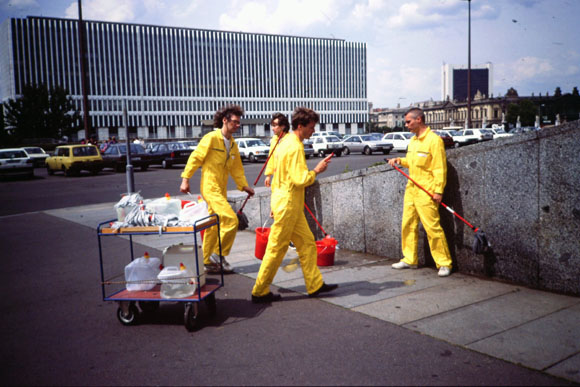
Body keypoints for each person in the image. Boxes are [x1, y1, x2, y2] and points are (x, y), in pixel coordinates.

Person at [251, 107, 338, 303]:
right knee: (276, 248)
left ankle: (314, 284)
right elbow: (300, 179)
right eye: (311, 127)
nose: (313, 131)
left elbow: (280, 177)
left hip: (287, 203)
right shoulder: (295, 146)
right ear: (301, 126)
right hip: (289, 205)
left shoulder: (285, 141)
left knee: (307, 243)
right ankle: (260, 290)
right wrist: (317, 170)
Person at [180, 105, 255, 273]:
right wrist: (185, 179)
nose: (237, 126)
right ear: (225, 120)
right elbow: (195, 158)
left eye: (238, 123)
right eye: (234, 122)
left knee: (214, 225)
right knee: (230, 219)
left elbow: (237, 168)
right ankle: (218, 254)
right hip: (210, 187)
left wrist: (244, 186)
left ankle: (207, 261)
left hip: (221, 189)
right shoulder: (211, 138)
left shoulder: (233, 144)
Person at [387, 107, 452, 277]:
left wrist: (438, 191)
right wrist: (399, 160)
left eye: (408, 121)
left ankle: (444, 263)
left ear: (419, 120)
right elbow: (412, 162)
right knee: (408, 225)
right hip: (412, 189)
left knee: (432, 227)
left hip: (427, 191)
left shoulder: (434, 140)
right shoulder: (414, 141)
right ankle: (409, 259)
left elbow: (440, 168)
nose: (406, 125)